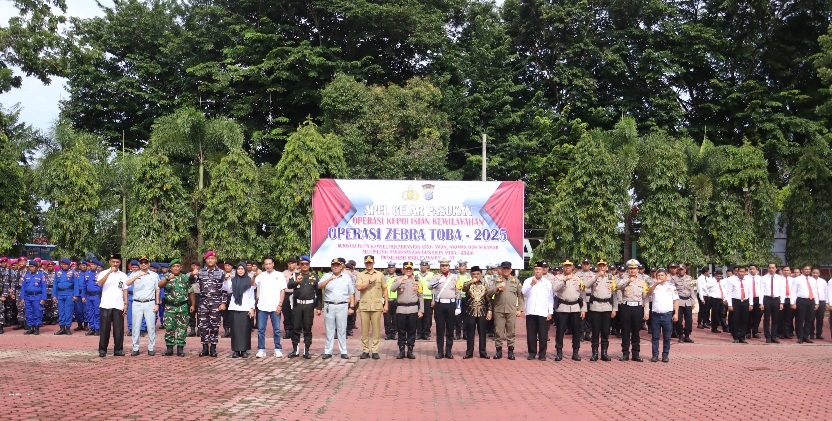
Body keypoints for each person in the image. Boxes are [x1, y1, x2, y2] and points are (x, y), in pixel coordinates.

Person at [191, 251, 228, 357]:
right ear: (205, 260)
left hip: (216, 303)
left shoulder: (221, 273)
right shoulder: (201, 272)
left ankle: (213, 347)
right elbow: (191, 281)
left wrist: (224, 302)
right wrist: (193, 274)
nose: (210, 260)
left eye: (212, 258)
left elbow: (224, 289)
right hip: (203, 303)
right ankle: (204, 347)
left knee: (215, 326)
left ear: (216, 260)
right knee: (203, 326)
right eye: (208, 258)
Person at [318, 258, 355, 359]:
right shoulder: (326, 276)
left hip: (342, 305)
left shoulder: (347, 277)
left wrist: (352, 306)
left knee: (342, 329)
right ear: (331, 266)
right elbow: (319, 286)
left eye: (337, 265)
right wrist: (329, 279)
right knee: (329, 329)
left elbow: (351, 293)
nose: (335, 267)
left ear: (341, 266)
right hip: (329, 305)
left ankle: (343, 351)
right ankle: (328, 351)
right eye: (333, 265)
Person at [286, 255, 321, 359]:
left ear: (309, 265)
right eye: (302, 264)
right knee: (295, 328)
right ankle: (295, 350)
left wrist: (319, 306)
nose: (304, 266)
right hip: (297, 305)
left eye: (306, 264)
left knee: (307, 328)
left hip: (309, 305)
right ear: (299, 265)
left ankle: (306, 350)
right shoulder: (295, 275)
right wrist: (296, 281)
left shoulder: (314, 276)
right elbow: (289, 285)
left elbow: (319, 293)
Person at [487, 261, 523, 360]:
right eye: (504, 269)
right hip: (499, 310)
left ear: (511, 269)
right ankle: (498, 351)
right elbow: (488, 293)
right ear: (501, 270)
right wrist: (497, 288)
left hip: (511, 310)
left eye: (508, 269)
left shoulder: (515, 281)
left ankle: (511, 352)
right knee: (499, 331)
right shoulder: (496, 280)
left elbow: (520, 296)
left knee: (511, 331)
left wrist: (520, 309)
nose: (506, 270)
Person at [252, 257, 287, 358]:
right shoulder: (261, 275)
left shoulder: (279, 275)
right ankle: (261, 349)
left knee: (276, 329)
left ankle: (277, 348)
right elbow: (252, 284)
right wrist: (254, 275)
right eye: (266, 264)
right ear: (264, 265)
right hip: (262, 306)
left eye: (269, 264)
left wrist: (280, 304)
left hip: (275, 306)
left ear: (273, 264)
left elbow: (283, 290)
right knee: (261, 330)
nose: (268, 266)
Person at [126, 256, 160, 356]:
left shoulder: (154, 275)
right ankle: (135, 348)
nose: (143, 264)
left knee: (151, 327)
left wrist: (157, 304)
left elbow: (157, 290)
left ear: (149, 264)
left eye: (145, 262)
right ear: (139, 264)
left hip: (150, 302)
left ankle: (151, 347)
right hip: (137, 302)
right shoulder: (134, 274)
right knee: (136, 326)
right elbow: (127, 283)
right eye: (142, 263)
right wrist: (137, 276)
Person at [159, 259, 194, 357]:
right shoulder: (166, 276)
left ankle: (180, 348)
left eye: (178, 266)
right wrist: (167, 279)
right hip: (170, 306)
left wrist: (193, 305)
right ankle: (169, 348)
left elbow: (191, 291)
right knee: (169, 327)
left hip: (182, 306)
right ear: (170, 268)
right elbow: (159, 285)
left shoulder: (185, 277)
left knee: (182, 328)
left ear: (181, 267)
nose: (176, 268)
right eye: (174, 266)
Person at [617, 259, 650, 362]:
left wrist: (646, 311)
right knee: (625, 331)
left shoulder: (642, 281)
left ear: (638, 269)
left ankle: (636, 353)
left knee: (636, 331)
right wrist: (628, 281)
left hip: (637, 307)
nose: (632, 270)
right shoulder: (623, 279)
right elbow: (617, 287)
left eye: (634, 268)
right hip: (626, 307)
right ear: (627, 269)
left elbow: (646, 297)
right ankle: (625, 353)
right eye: (630, 268)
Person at [356, 255, 388, 359]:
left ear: (374, 263)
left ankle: (375, 350)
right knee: (364, 330)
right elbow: (359, 287)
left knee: (376, 329)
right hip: (364, 306)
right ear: (364, 263)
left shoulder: (380, 275)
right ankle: (365, 350)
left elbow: (385, 289)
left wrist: (386, 304)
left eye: (370, 262)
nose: (368, 264)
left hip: (377, 305)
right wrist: (369, 281)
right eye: (367, 262)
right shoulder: (360, 275)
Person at [97, 254, 129, 357]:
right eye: (113, 262)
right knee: (104, 329)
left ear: (119, 263)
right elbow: (100, 283)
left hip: (118, 305)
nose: (115, 264)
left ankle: (118, 350)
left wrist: (126, 303)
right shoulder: (103, 273)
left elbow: (124, 289)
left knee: (118, 329)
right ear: (110, 262)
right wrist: (109, 272)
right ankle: (102, 350)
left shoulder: (123, 275)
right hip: (106, 304)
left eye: (117, 262)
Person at [552, 260, 584, 361]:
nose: (567, 268)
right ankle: (559, 352)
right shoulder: (558, 278)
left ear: (572, 268)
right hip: (562, 307)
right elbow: (555, 289)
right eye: (565, 266)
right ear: (563, 267)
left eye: (569, 266)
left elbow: (582, 294)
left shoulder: (577, 279)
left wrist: (583, 309)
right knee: (560, 331)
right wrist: (564, 280)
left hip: (575, 307)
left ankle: (575, 352)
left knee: (576, 331)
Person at [222, 262, 256, 358]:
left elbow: (251, 296)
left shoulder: (249, 281)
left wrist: (252, 308)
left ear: (245, 270)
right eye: (238, 269)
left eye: (242, 269)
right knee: (235, 330)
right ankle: (236, 350)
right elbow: (225, 287)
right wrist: (226, 279)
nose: (240, 271)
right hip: (234, 307)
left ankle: (244, 350)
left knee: (245, 330)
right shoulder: (233, 280)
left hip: (245, 308)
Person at [586, 259, 617, 361]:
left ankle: (604, 352)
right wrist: (596, 276)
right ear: (597, 267)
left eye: (604, 266)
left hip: (607, 306)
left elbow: (614, 294)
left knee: (605, 331)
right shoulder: (593, 276)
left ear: (606, 267)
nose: (602, 268)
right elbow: (587, 285)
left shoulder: (611, 277)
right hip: (596, 306)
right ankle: (595, 352)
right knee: (595, 331)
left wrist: (614, 309)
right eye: (600, 266)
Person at [392, 261, 424, 359]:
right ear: (403, 270)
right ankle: (401, 350)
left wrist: (421, 310)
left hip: (413, 309)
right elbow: (392, 289)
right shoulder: (398, 279)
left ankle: (410, 350)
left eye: (410, 269)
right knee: (401, 331)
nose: (408, 271)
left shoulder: (417, 281)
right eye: (406, 269)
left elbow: (421, 296)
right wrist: (401, 280)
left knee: (411, 331)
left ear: (413, 270)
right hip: (401, 309)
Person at [430, 257, 460, 359]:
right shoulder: (436, 276)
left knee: (450, 329)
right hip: (439, 305)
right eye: (442, 266)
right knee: (440, 329)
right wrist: (439, 281)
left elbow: (458, 292)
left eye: (446, 265)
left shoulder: (455, 277)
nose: (444, 267)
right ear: (440, 267)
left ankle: (448, 351)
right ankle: (439, 351)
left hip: (451, 305)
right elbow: (430, 286)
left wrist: (458, 307)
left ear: (449, 266)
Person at [522, 261, 553, 361]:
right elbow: (523, 292)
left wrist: (550, 312)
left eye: (539, 269)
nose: (537, 271)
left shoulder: (547, 283)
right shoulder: (528, 281)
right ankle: (532, 353)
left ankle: (542, 354)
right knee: (531, 334)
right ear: (533, 271)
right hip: (531, 311)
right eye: (536, 269)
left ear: (543, 271)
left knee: (543, 334)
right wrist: (531, 284)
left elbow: (550, 298)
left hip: (542, 312)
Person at [648, 269, 679, 362]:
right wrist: (655, 284)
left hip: (667, 315)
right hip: (655, 315)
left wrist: (676, 313)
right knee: (655, 336)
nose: (660, 277)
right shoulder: (653, 286)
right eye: (659, 275)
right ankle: (655, 354)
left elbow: (676, 300)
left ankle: (665, 354)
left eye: (662, 275)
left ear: (666, 276)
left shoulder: (671, 287)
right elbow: (649, 293)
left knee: (667, 336)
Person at [723, 265, 753, 344]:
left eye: (743, 272)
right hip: (735, 301)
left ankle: (742, 337)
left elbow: (750, 292)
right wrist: (730, 304)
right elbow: (728, 292)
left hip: (745, 301)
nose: (741, 273)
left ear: (745, 272)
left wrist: (751, 304)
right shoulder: (731, 280)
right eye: (740, 271)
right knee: (735, 320)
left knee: (744, 320)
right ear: (737, 272)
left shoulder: (748, 280)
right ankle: (735, 337)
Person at [793, 265, 819, 344]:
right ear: (802, 270)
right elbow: (793, 291)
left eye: (809, 269)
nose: (807, 270)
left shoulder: (813, 280)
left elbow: (815, 292)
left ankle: (806, 336)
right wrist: (792, 302)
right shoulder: (797, 279)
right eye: (806, 269)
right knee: (800, 319)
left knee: (809, 319)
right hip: (801, 301)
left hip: (811, 301)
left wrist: (816, 302)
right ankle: (800, 337)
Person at [761, 263, 785, 343]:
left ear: (776, 268)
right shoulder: (763, 278)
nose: (771, 269)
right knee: (766, 319)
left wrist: (782, 302)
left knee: (775, 319)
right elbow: (761, 291)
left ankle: (774, 336)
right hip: (767, 299)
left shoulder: (780, 278)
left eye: (773, 268)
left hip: (776, 299)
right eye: (770, 268)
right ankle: (767, 337)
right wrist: (761, 303)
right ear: (768, 268)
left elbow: (782, 291)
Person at [671, 264, 695, 343]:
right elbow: (672, 291)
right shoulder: (674, 279)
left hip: (688, 301)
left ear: (685, 270)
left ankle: (687, 335)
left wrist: (693, 301)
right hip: (679, 301)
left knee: (689, 320)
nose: (681, 271)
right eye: (679, 269)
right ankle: (680, 335)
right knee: (678, 320)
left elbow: (691, 290)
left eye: (682, 269)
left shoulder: (689, 278)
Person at [52, 258, 77, 335]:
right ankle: (62, 328)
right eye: (63, 264)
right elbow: (55, 285)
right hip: (60, 294)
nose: (64, 266)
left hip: (69, 293)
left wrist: (75, 295)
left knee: (68, 311)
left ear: (69, 265)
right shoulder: (58, 273)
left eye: (66, 264)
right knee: (61, 311)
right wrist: (54, 295)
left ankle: (68, 328)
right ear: (61, 265)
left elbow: (76, 284)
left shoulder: (73, 272)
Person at [21, 260, 46, 335]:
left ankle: (37, 328)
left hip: (37, 297)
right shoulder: (26, 275)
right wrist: (22, 298)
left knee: (37, 312)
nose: (31, 268)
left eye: (33, 267)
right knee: (29, 312)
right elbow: (23, 287)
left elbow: (44, 287)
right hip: (27, 297)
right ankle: (31, 327)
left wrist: (43, 298)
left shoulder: (41, 275)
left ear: (36, 267)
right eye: (30, 267)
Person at [82, 259, 104, 336]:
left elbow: (103, 286)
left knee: (97, 312)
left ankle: (97, 329)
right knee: (89, 312)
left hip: (96, 296)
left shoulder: (100, 274)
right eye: (91, 264)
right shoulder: (86, 273)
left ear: (97, 266)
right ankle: (92, 328)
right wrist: (83, 296)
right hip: (88, 296)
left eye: (94, 265)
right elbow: (83, 285)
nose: (93, 266)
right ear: (89, 265)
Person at [281, 257, 298, 342]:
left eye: (292, 263)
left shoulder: (299, 273)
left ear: (296, 264)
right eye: (289, 263)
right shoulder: (284, 273)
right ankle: (287, 331)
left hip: (295, 294)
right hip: (286, 295)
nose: (291, 265)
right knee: (286, 313)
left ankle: (295, 331)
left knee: (295, 314)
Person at [416, 259, 434, 340]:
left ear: (427, 266)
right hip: (418, 298)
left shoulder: (431, 275)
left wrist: (433, 299)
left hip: (428, 298)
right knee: (418, 316)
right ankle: (419, 333)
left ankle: (426, 333)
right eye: (422, 265)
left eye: (425, 265)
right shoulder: (415, 274)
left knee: (427, 316)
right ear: (420, 266)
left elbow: (434, 288)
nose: (423, 266)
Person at [454, 260, 471, 340]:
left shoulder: (469, 276)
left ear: (466, 267)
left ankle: (465, 334)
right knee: (458, 317)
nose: (460, 268)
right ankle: (457, 334)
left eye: (462, 266)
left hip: (467, 298)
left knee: (466, 317)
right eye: (460, 266)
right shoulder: (455, 276)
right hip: (458, 298)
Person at [747, 264, 764, 339]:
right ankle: (747, 332)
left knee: (757, 316)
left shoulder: (761, 279)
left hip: (758, 299)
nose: (752, 270)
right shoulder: (746, 278)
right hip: (748, 299)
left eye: (753, 269)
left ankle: (755, 332)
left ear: (757, 269)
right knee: (748, 316)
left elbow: (762, 290)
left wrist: (761, 302)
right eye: (750, 269)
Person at [383, 261, 398, 340]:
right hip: (386, 300)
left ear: (395, 268)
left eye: (392, 267)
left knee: (395, 318)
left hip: (396, 300)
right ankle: (388, 333)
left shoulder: (398, 278)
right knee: (387, 318)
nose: (391, 269)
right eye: (389, 267)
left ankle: (394, 333)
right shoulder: (384, 277)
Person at [810, 267, 826, 340]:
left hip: (821, 302)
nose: (815, 274)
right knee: (811, 318)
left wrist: (827, 302)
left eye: (817, 273)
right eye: (813, 272)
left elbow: (826, 292)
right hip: (812, 301)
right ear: (811, 273)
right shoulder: (809, 280)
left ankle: (819, 334)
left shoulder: (823, 281)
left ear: (819, 274)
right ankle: (811, 334)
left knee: (820, 319)